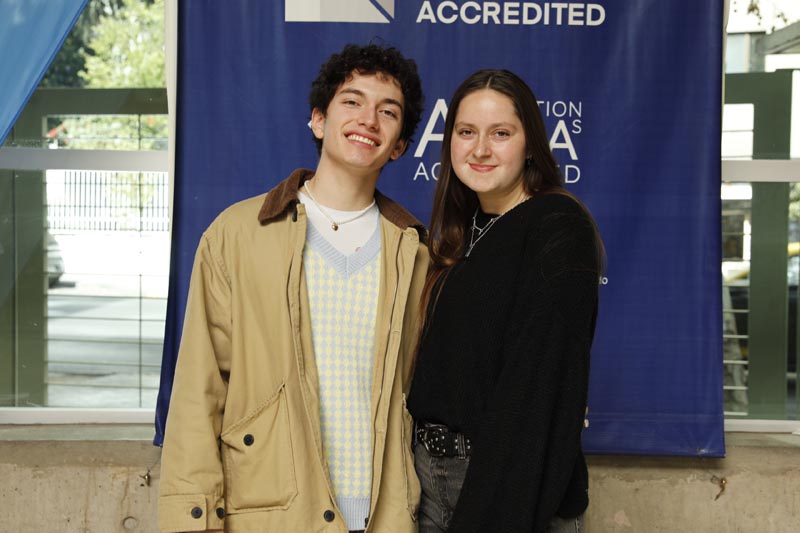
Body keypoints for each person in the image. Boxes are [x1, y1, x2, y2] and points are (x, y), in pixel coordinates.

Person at [158, 43, 427, 533]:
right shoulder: (238, 234)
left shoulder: (413, 252)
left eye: (388, 112)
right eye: (352, 101)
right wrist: (192, 517)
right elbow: (199, 390)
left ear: (400, 146)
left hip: (383, 516)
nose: (368, 119)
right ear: (319, 120)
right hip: (272, 513)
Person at [406, 69, 603, 533]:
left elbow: (535, 395)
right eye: (466, 132)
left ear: (530, 144)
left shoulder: (556, 226)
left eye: (500, 133)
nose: (480, 149)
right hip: (430, 482)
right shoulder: (461, 235)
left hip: (502, 491)